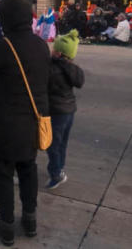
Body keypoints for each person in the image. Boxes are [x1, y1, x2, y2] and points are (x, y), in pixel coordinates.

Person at [0, 0, 50, 245]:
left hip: (5, 123)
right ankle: (30, 219)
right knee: (28, 169)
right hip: (33, 120)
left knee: (3, 172)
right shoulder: (42, 45)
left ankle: (7, 223)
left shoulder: (1, 47)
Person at [45, 29, 85, 189]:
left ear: (59, 53)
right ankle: (59, 166)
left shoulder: (53, 69)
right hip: (69, 110)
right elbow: (80, 81)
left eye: (54, 49)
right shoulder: (73, 69)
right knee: (62, 143)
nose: (51, 50)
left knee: (52, 144)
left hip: (56, 111)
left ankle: (56, 173)